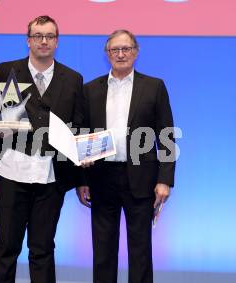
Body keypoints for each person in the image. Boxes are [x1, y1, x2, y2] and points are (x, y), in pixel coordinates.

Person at [75, 29, 176, 283]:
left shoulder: (154, 86)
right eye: (114, 50)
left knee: (141, 250)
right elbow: (82, 134)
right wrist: (82, 179)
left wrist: (165, 179)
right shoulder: (90, 89)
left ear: (136, 51)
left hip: (141, 178)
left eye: (126, 49)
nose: (120, 54)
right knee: (102, 250)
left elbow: (166, 135)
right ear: (107, 54)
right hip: (101, 177)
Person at [0, 15, 84, 283]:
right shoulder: (6, 70)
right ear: (28, 40)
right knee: (6, 247)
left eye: (50, 36)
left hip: (51, 176)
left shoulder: (73, 79)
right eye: (38, 36)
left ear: (57, 41)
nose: (44, 41)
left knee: (42, 249)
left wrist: (81, 171)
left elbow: (78, 126)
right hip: (11, 171)